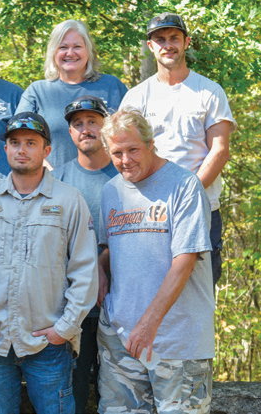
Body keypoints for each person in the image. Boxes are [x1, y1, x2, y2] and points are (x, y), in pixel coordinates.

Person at [0, 111, 97, 414]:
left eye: (31, 143)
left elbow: (84, 270)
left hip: (48, 342)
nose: (22, 149)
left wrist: (66, 327)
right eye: (15, 142)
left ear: (46, 150)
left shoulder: (69, 200)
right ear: (5, 148)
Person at [97, 108, 214, 413]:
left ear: (150, 144)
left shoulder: (184, 186)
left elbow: (185, 262)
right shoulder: (111, 191)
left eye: (133, 149)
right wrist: (99, 268)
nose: (125, 160)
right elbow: (116, 249)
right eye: (117, 153)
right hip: (120, 341)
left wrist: (148, 324)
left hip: (178, 342)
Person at [120, 12, 235, 286]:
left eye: (174, 38)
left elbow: (220, 151)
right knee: (148, 288)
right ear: (150, 46)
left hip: (202, 207)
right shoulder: (136, 97)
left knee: (199, 292)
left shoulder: (209, 91)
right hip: (150, 211)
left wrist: (188, 195)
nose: (167, 45)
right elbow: (126, 153)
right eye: (160, 39)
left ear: (186, 42)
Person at [51, 96, 117, 413]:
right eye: (78, 124)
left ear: (105, 126)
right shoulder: (57, 180)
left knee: (120, 393)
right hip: (74, 310)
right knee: (73, 391)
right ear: (70, 132)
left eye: (92, 121)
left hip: (120, 308)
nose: (85, 129)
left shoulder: (125, 173)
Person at [15, 19, 127, 168]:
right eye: (63, 47)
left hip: (110, 181)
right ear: (53, 52)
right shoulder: (38, 91)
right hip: (52, 183)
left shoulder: (112, 86)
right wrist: (50, 174)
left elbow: (131, 134)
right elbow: (19, 140)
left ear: (88, 50)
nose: (70, 53)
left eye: (77, 46)